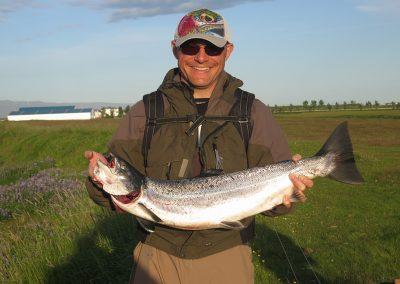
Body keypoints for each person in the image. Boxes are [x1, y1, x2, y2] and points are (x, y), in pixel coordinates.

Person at [85, 8, 313, 284]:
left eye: (213, 48)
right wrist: (98, 180)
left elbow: (277, 207)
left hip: (226, 257)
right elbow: (112, 190)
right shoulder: (145, 111)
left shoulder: (253, 112)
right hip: (156, 256)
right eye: (191, 46)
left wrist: (289, 192)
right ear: (175, 49)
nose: (201, 57)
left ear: (228, 51)